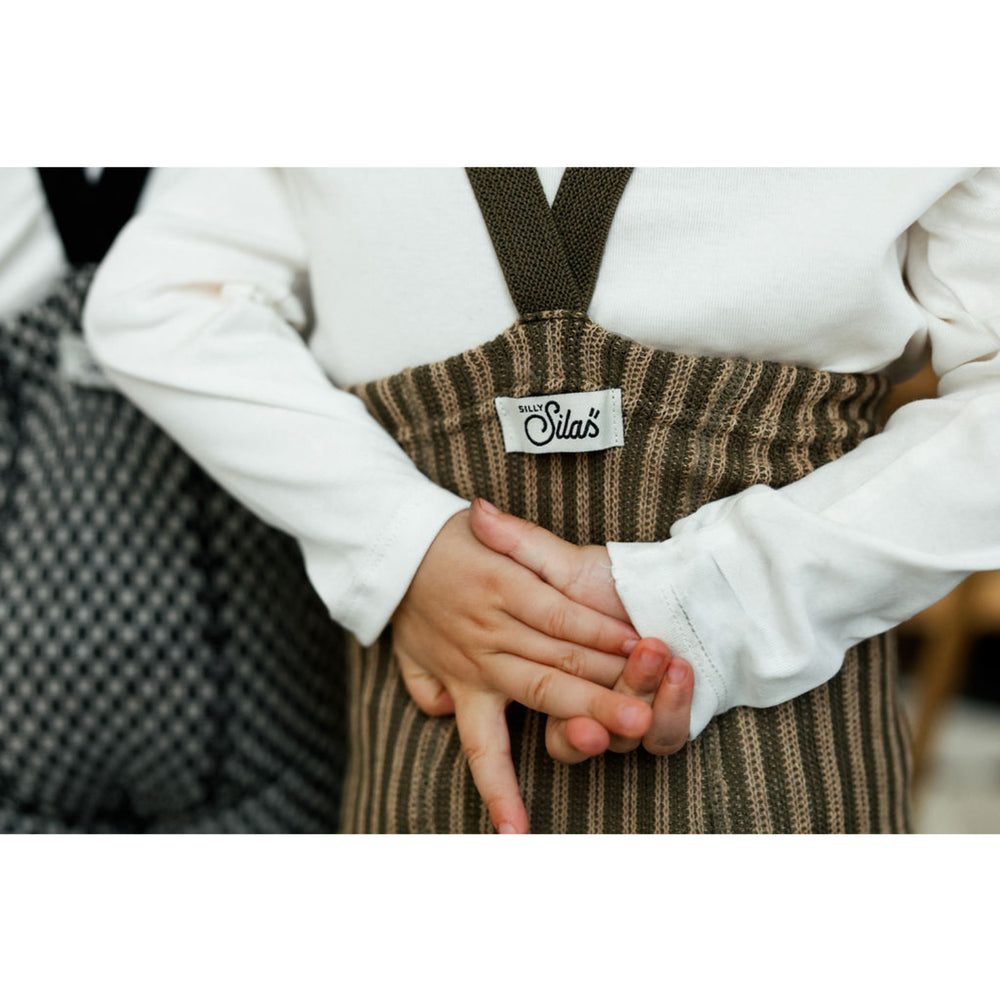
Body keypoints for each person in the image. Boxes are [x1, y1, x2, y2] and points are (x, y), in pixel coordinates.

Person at [84, 167, 1000, 833]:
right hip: (431, 767)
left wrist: (716, 600)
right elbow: (162, 296)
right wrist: (404, 541)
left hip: (788, 765)